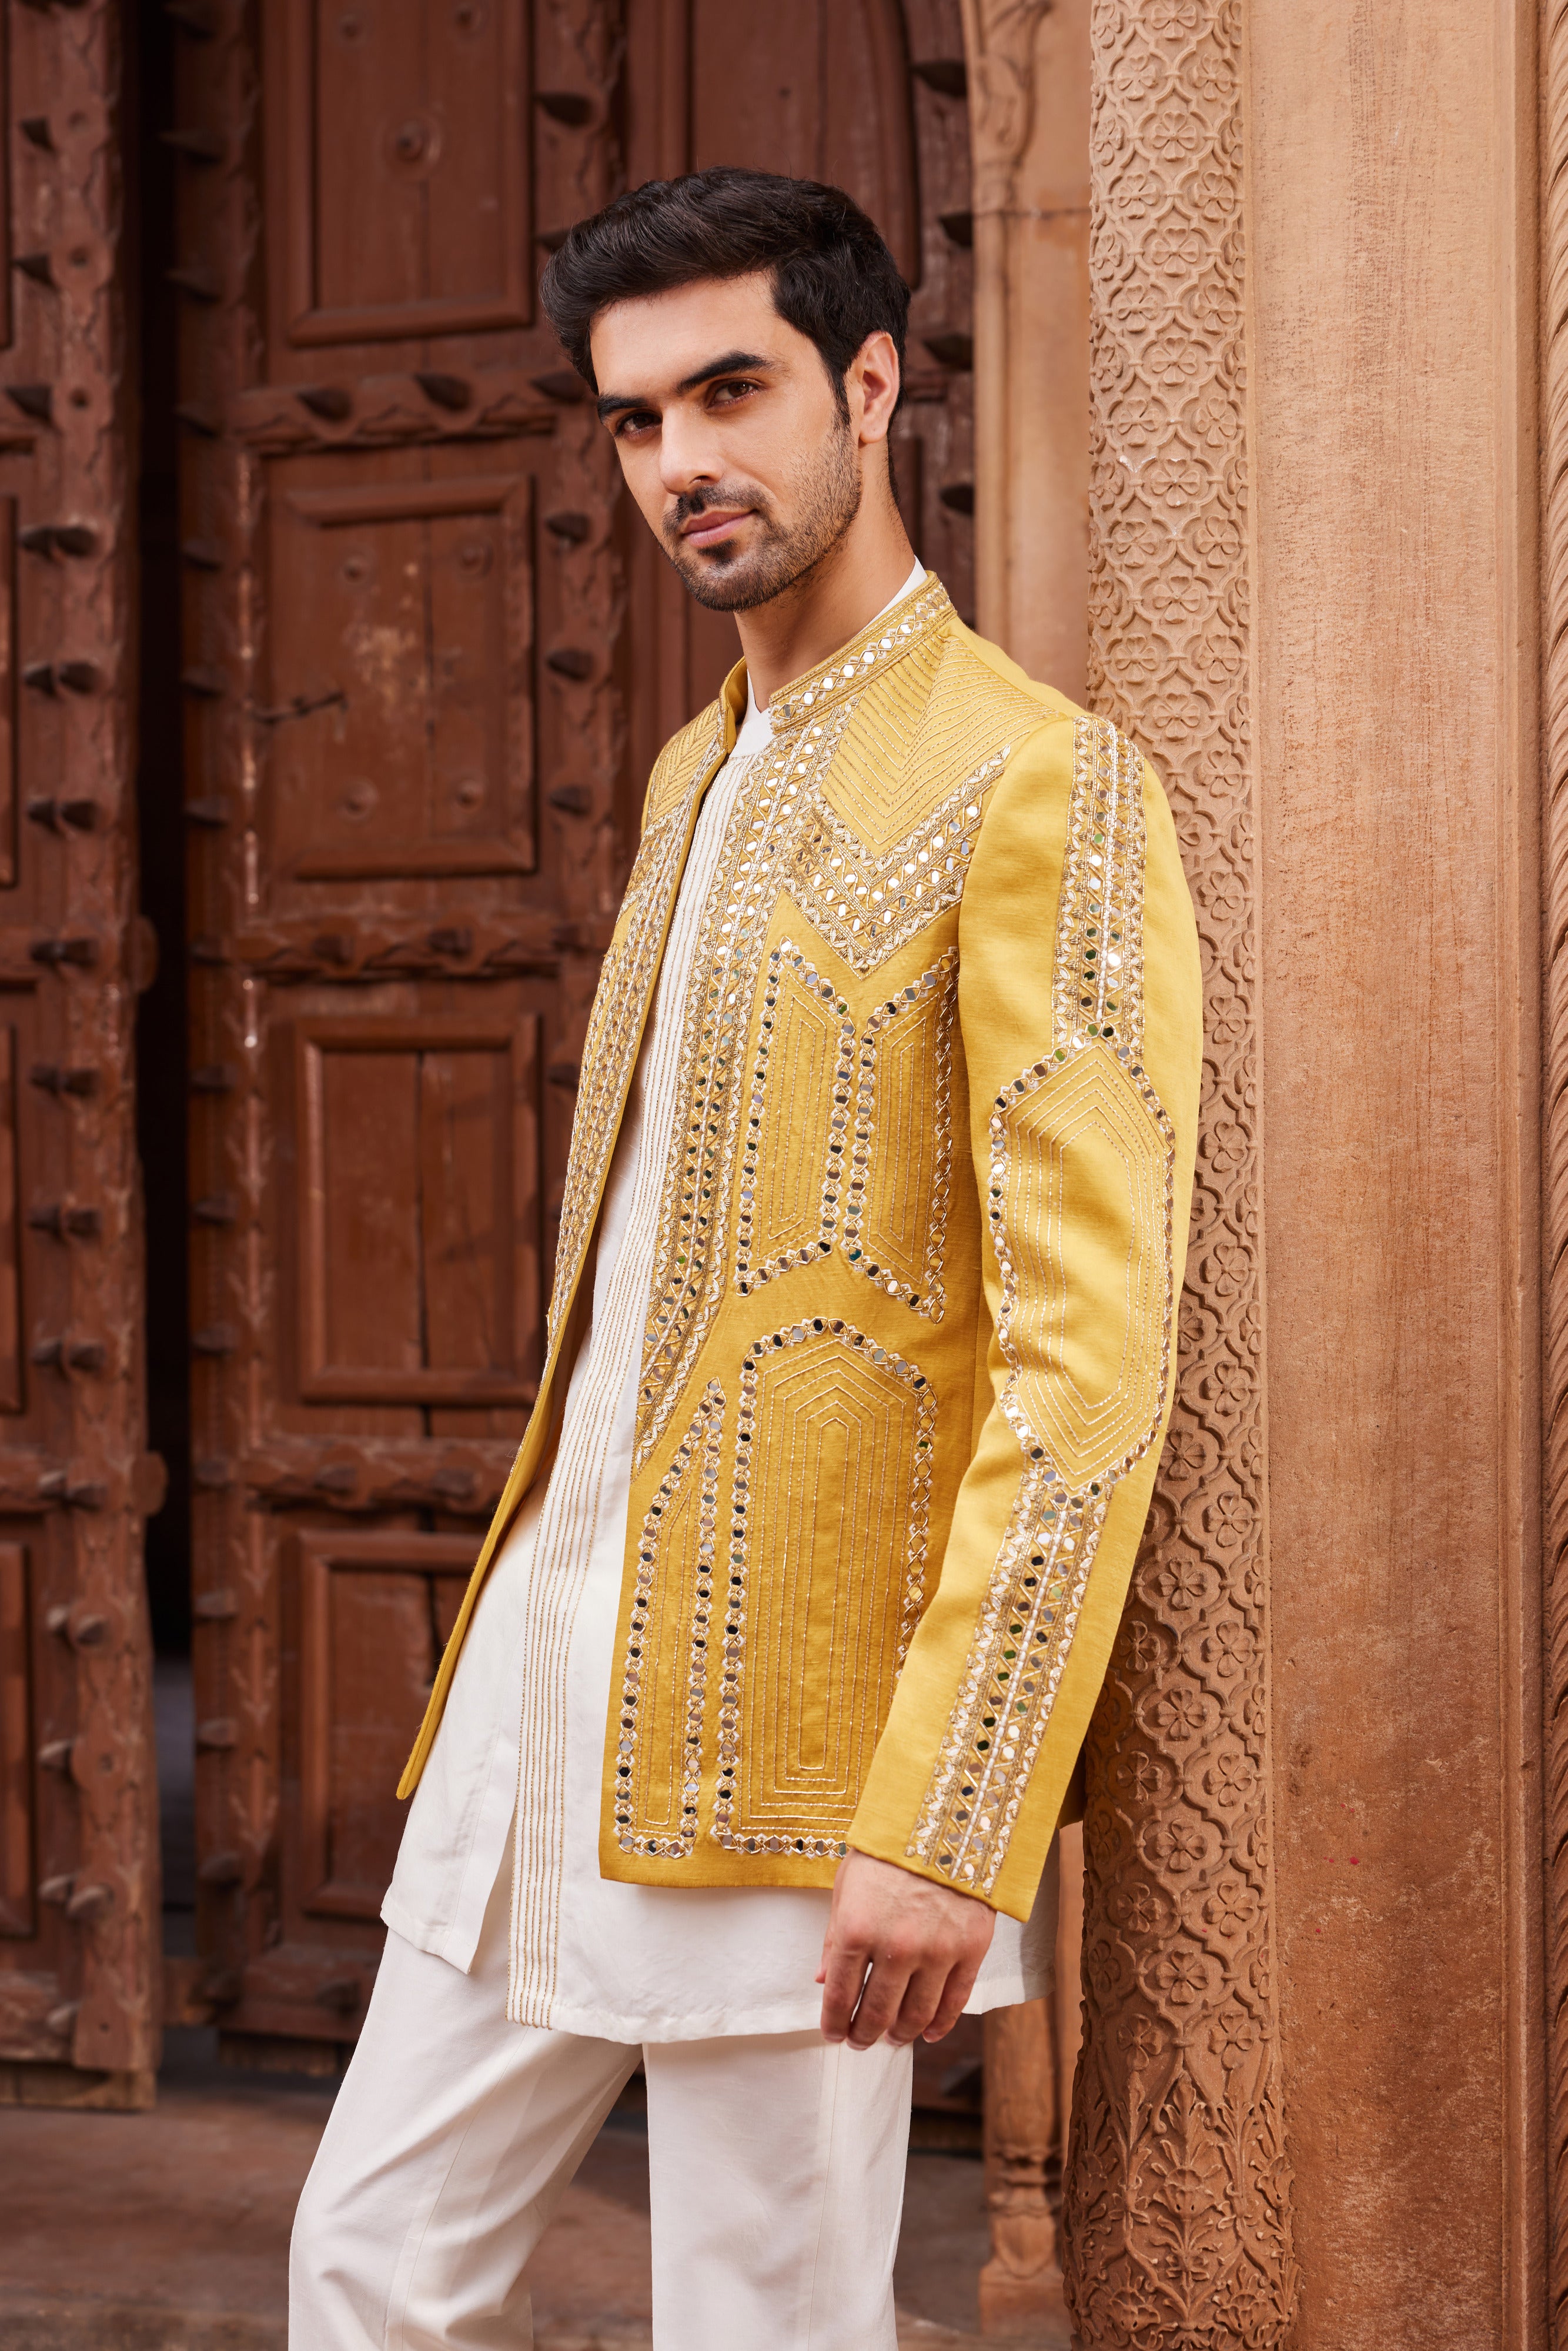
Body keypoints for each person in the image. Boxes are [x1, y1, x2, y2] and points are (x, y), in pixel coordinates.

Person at [289, 166, 1202, 2351]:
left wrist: (949, 1818)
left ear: (866, 385)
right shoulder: (693, 780)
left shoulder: (1034, 786)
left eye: (731, 391)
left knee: (767, 2325)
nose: (681, 461)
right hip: (544, 1693)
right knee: (363, 2269)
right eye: (634, 421)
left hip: (808, 1763)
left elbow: (1087, 1360)